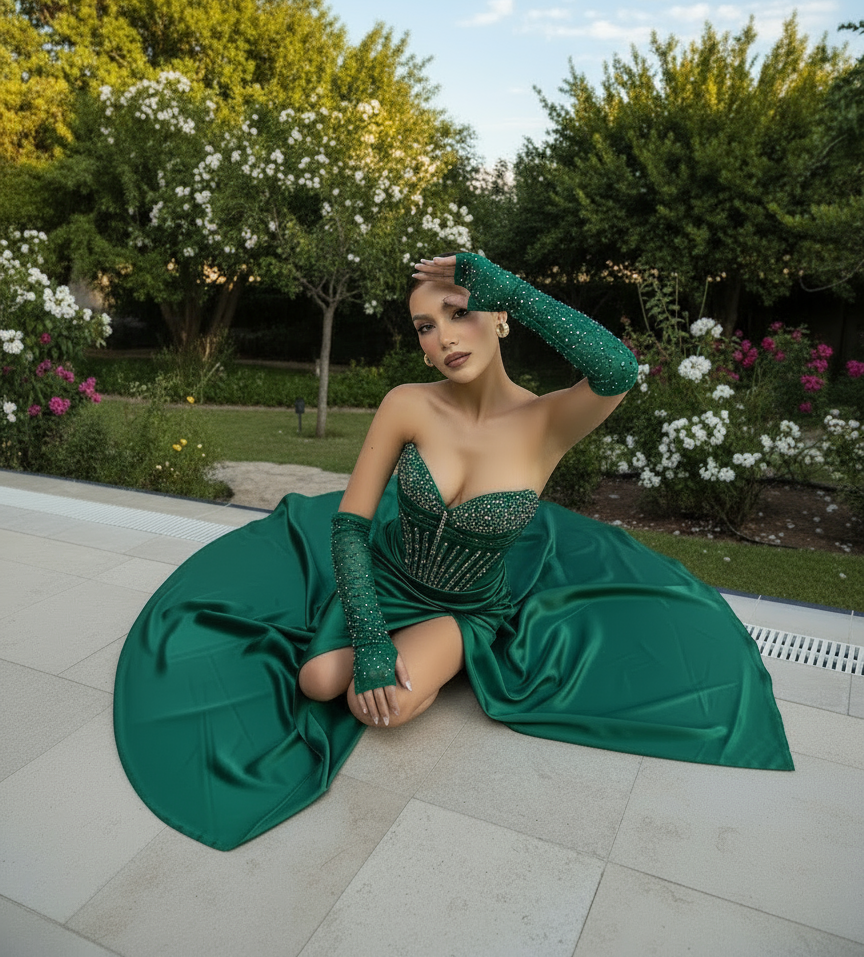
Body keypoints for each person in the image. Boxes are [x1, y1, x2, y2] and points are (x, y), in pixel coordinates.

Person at [113, 253, 793, 852]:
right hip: (384, 575)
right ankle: (398, 647)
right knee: (316, 682)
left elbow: (617, 366)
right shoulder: (408, 403)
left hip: (464, 605)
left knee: (369, 707)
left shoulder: (547, 422)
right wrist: (373, 637)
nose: (442, 339)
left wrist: (512, 288)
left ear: (499, 320)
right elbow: (349, 526)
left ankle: (451, 653)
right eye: (425, 328)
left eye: (460, 314)